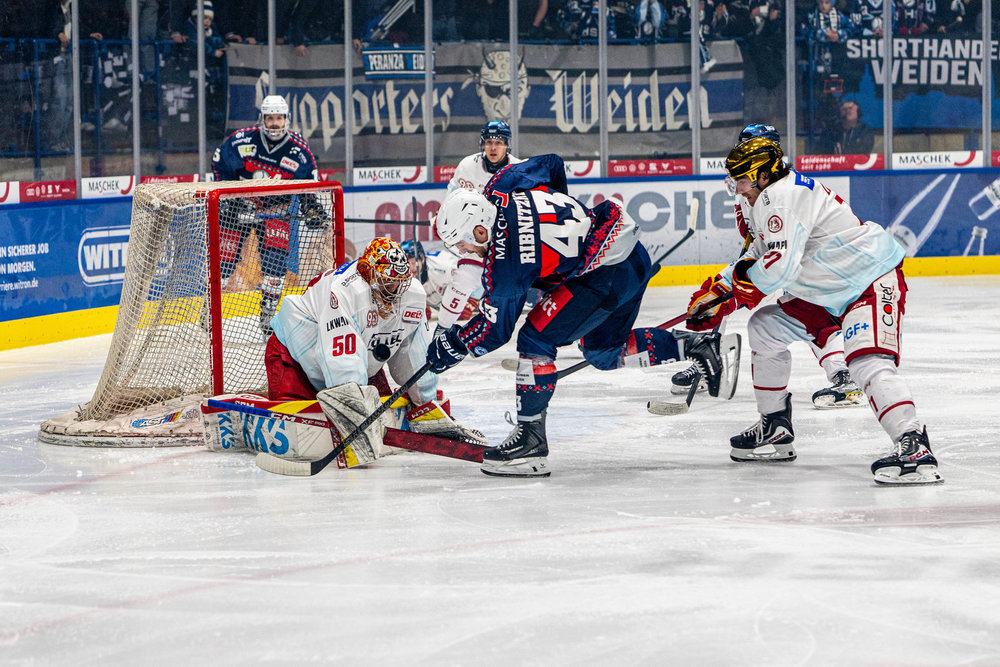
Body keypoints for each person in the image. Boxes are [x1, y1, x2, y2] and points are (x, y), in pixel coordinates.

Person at [425, 155, 733, 478]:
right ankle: (696, 346)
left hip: (603, 276)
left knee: (535, 337)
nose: (466, 252)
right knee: (603, 352)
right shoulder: (501, 185)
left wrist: (453, 344)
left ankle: (531, 440)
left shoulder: (506, 264)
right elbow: (552, 164)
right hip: (627, 251)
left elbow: (495, 330)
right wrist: (557, 236)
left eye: (464, 244)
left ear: (478, 229)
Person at [704, 136, 941, 484]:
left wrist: (735, 291)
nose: (738, 189)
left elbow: (779, 269)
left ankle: (914, 445)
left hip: (867, 281)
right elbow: (758, 252)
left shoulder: (780, 198)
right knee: (765, 327)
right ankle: (774, 427)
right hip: (828, 290)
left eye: (742, 180)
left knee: (866, 361)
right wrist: (721, 287)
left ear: (763, 175)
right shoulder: (768, 199)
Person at [675, 122, 865, 410]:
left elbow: (779, 253)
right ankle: (707, 357)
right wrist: (726, 285)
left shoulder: (782, 190)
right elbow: (753, 234)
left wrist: (740, 286)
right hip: (799, 258)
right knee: (746, 301)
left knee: (805, 310)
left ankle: (842, 373)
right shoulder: (753, 184)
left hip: (824, 265)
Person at [266, 237, 485, 444]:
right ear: (366, 273)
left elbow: (416, 356)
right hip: (296, 358)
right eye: (388, 284)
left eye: (399, 283)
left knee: (381, 414)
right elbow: (343, 361)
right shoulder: (345, 290)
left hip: (360, 362)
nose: (395, 292)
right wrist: (354, 416)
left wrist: (426, 406)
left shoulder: (413, 294)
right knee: (299, 428)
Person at [211, 94, 320, 335]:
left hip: (275, 213)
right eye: (270, 118)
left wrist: (311, 208)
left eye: (279, 118)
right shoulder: (242, 141)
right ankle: (211, 310)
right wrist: (226, 196)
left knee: (274, 266)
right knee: (224, 264)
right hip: (239, 211)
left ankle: (268, 316)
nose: (274, 124)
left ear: (287, 120)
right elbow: (218, 162)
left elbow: (309, 183)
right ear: (262, 119)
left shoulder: (299, 151)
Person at [440, 120, 524, 333]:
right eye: (488, 142)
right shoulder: (468, 166)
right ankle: (441, 331)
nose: (493, 148)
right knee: (465, 277)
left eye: (498, 142)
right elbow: (451, 199)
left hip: (508, 241)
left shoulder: (519, 170)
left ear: (507, 145)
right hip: (476, 238)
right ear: (482, 144)